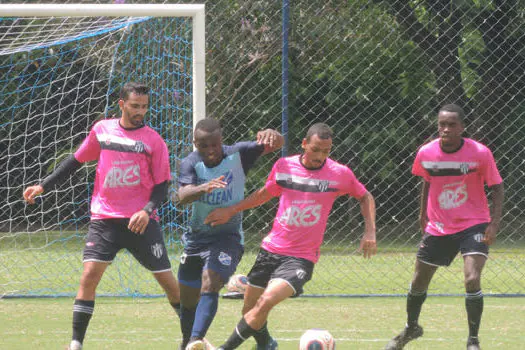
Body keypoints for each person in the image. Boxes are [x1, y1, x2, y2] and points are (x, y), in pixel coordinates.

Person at [22, 82, 181, 350]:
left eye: (144, 106)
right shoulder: (102, 130)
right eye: (134, 106)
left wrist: (146, 210)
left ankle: (195, 336)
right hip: (105, 218)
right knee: (89, 277)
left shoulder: (154, 140)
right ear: (121, 104)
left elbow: (162, 186)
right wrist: (43, 185)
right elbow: (75, 160)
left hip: (140, 222)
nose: (140, 111)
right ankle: (75, 344)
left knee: (168, 282)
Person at [204, 122, 377, 350]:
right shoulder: (284, 166)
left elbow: (365, 197)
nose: (319, 156)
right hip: (271, 249)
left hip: (301, 257)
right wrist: (230, 210)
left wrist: (370, 231)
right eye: (315, 149)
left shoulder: (339, 174)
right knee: (250, 311)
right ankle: (267, 344)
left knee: (264, 303)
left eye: (326, 151)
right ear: (305, 144)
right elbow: (264, 194)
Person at [384, 104, 504, 350]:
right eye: (441, 124)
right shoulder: (426, 152)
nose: (445, 129)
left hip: (474, 223)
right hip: (439, 225)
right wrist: (422, 215)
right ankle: (411, 328)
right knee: (419, 281)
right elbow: (427, 181)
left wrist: (494, 223)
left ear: (462, 127)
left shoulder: (480, 153)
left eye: (451, 125)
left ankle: (473, 340)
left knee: (472, 278)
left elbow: (497, 186)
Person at [176, 118, 284, 350]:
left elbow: (277, 143)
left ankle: (196, 339)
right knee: (187, 300)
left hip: (228, 237)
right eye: (204, 146)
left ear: (221, 141)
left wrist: (272, 134)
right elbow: (181, 197)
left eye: (215, 144)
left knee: (210, 281)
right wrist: (202, 188)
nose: (211, 151)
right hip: (196, 240)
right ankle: (189, 342)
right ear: (195, 143)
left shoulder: (239, 154)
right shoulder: (190, 163)